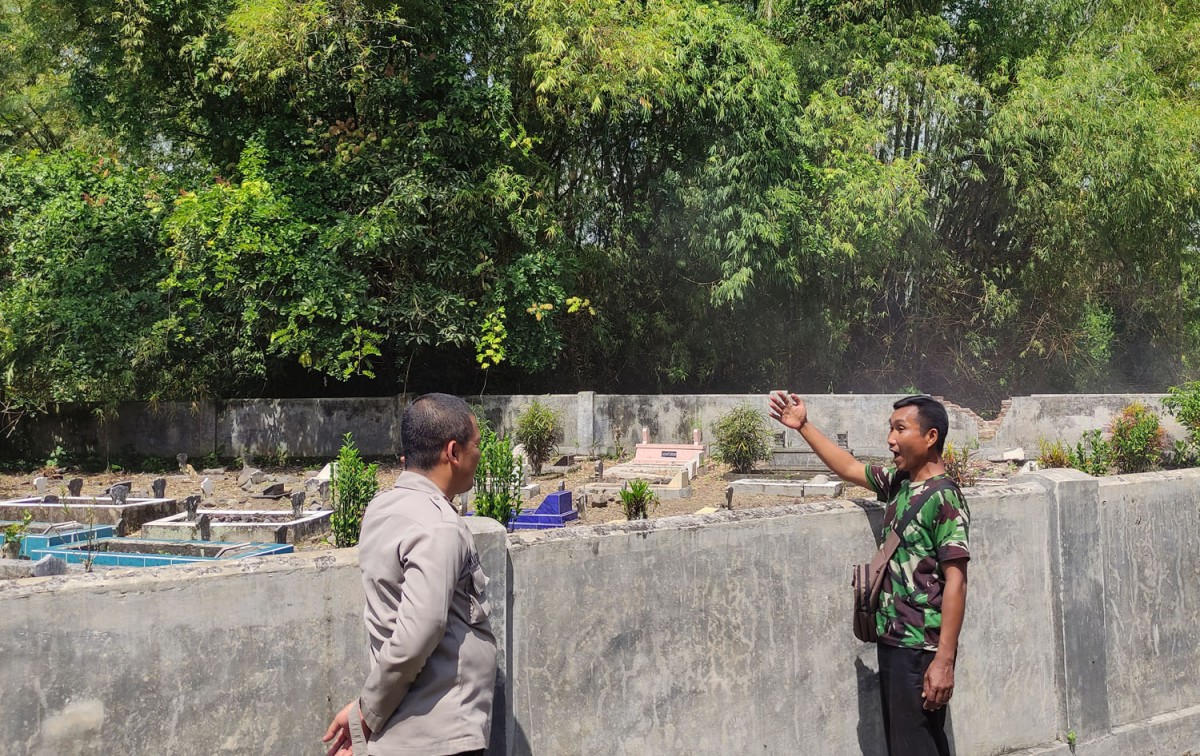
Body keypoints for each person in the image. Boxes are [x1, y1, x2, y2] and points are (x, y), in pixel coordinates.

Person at [769, 391, 969, 755]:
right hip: (892, 638)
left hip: (919, 647)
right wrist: (803, 426)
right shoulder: (899, 483)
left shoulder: (945, 498)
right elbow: (848, 467)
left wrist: (943, 660)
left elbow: (957, 581)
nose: (890, 439)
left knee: (915, 745)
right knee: (912, 744)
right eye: (890, 429)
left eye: (900, 429)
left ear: (930, 437)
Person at [324, 393, 497, 756]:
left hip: (404, 733)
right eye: (476, 445)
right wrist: (364, 714)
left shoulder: (383, 508)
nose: (479, 455)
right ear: (453, 452)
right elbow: (417, 634)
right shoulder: (439, 526)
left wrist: (367, 711)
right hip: (440, 737)